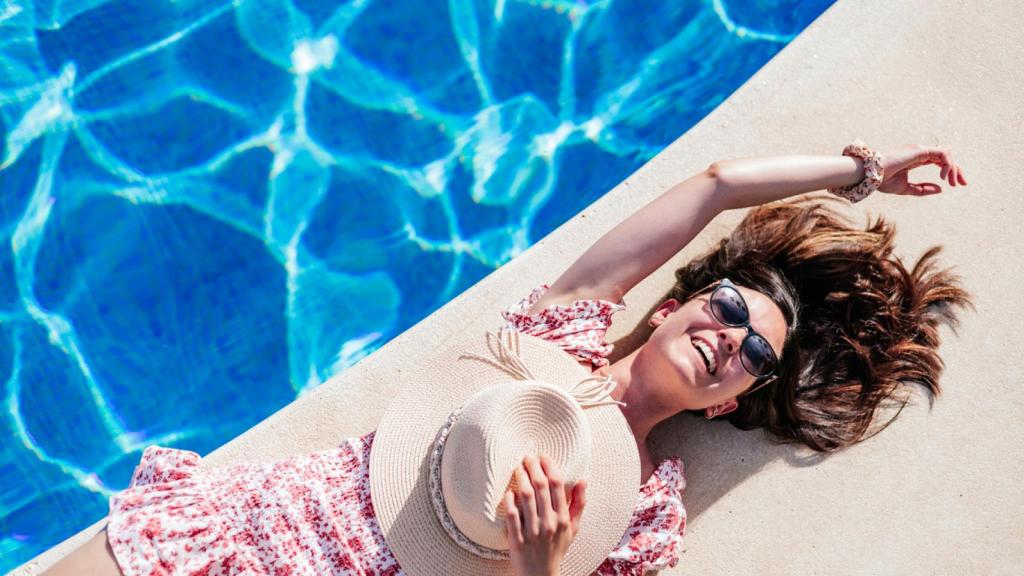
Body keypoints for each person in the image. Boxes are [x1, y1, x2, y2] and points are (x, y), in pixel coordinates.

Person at [44, 141, 971, 576]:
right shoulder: (555, 333)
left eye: (754, 354)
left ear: (733, 400)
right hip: (253, 522)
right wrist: (861, 174)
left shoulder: (643, 522)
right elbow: (716, 186)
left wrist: (536, 568)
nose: (731, 336)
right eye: (728, 306)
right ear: (678, 305)